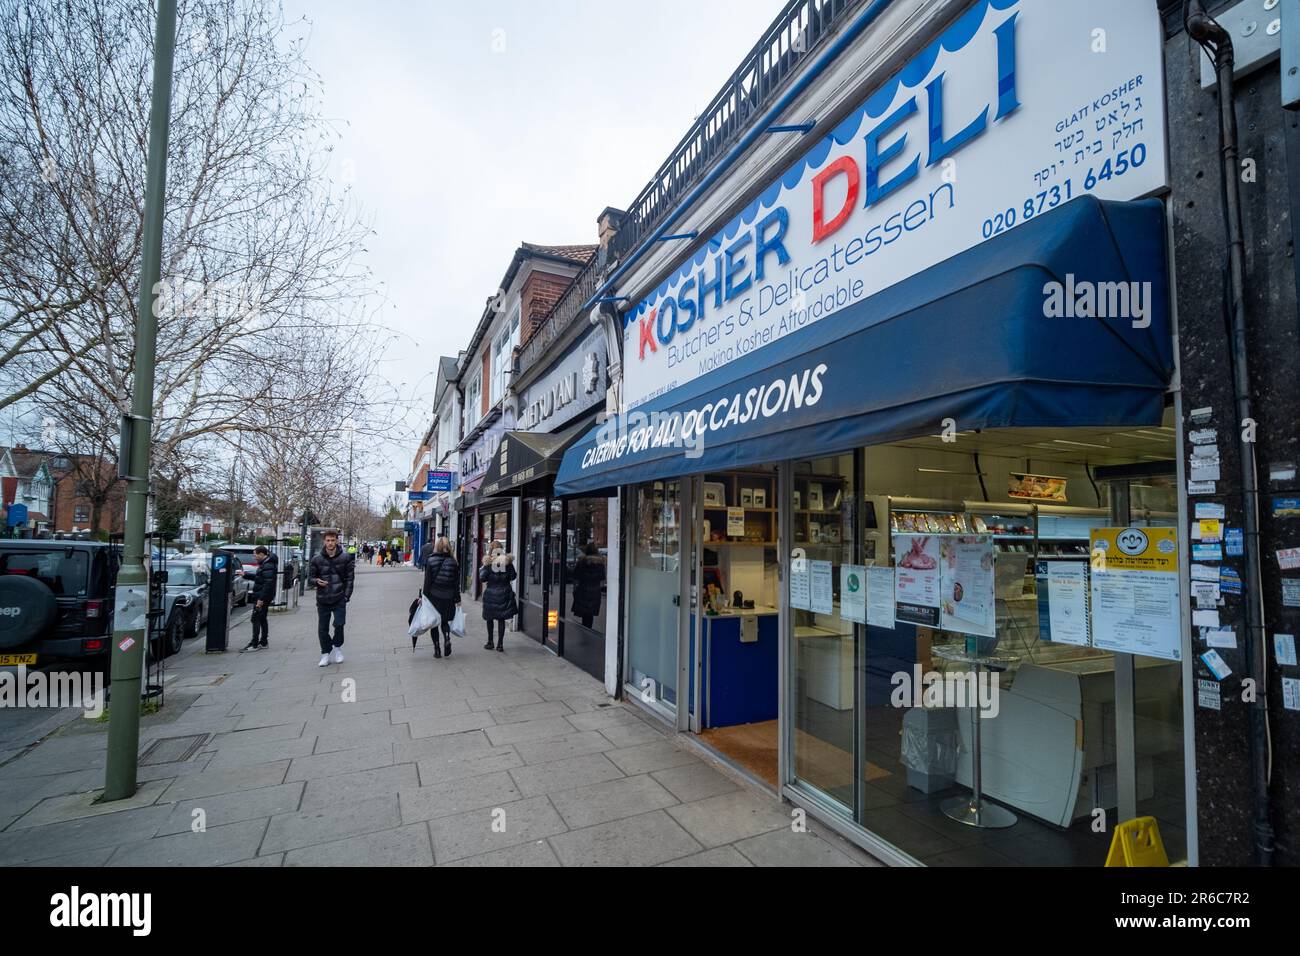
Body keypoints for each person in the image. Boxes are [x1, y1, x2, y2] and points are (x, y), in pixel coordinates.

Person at [309, 530, 355, 667]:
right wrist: (316, 581)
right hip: (322, 598)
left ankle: (337, 647)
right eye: (328, 540)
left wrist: (346, 596)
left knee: (339, 624)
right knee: (323, 628)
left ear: (337, 541)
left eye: (332, 540)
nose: (330, 543)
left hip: (339, 597)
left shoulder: (345, 557)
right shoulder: (316, 559)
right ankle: (325, 653)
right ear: (324, 541)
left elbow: (350, 579)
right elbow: (310, 578)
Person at [421, 536, 460, 658]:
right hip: (448, 596)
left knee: (434, 623)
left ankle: (437, 649)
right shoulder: (453, 562)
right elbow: (456, 583)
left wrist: (424, 597)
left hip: (434, 596)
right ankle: (447, 638)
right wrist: (457, 598)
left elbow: (427, 581)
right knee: (444, 621)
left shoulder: (430, 561)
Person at [241, 545, 279, 651]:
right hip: (263, 596)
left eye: (255, 555)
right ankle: (263, 642)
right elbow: (260, 578)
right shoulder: (266, 564)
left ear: (261, 554)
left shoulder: (267, 565)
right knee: (262, 618)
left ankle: (254, 644)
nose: (254, 557)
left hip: (262, 597)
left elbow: (268, 584)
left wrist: (261, 599)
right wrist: (246, 575)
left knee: (255, 618)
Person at [480, 547, 517, 652]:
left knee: (489, 619)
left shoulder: (489, 565)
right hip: (504, 594)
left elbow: (482, 578)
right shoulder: (508, 564)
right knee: (501, 619)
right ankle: (500, 644)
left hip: (491, 595)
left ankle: (490, 642)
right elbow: (513, 576)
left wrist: (485, 566)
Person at [570, 542, 605, 629]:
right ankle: (588, 629)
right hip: (595, 591)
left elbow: (575, 575)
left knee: (584, 612)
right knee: (590, 614)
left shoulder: (582, 562)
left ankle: (585, 629)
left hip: (583, 589)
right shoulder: (600, 563)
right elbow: (602, 577)